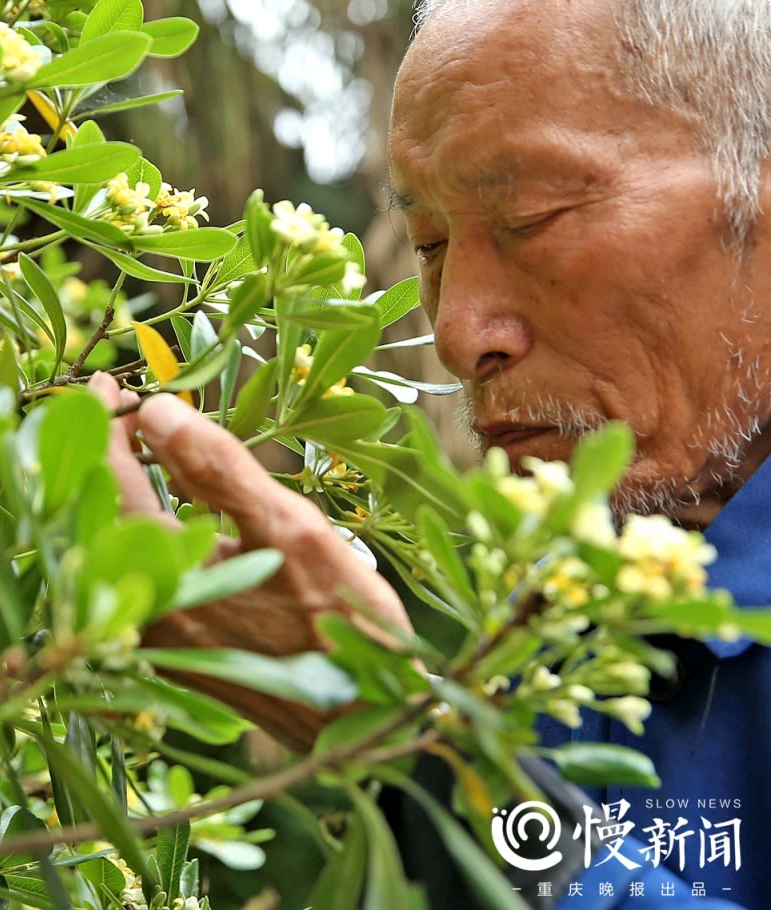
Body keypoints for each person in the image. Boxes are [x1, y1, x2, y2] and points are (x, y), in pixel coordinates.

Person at [94, 0, 771, 907]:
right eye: (432, 246)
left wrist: (404, 740)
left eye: (531, 218)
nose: (454, 332)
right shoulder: (558, 636)